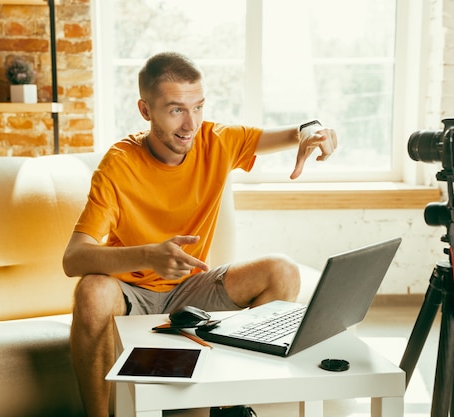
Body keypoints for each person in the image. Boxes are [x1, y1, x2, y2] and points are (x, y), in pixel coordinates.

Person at [63, 51, 338, 417]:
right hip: (130, 293)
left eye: (198, 107)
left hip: (192, 291)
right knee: (92, 290)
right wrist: (148, 255)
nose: (190, 123)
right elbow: (74, 258)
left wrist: (312, 132)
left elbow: (290, 133)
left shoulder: (216, 140)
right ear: (145, 110)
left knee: (283, 270)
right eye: (176, 109)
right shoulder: (119, 164)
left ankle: (228, 403)